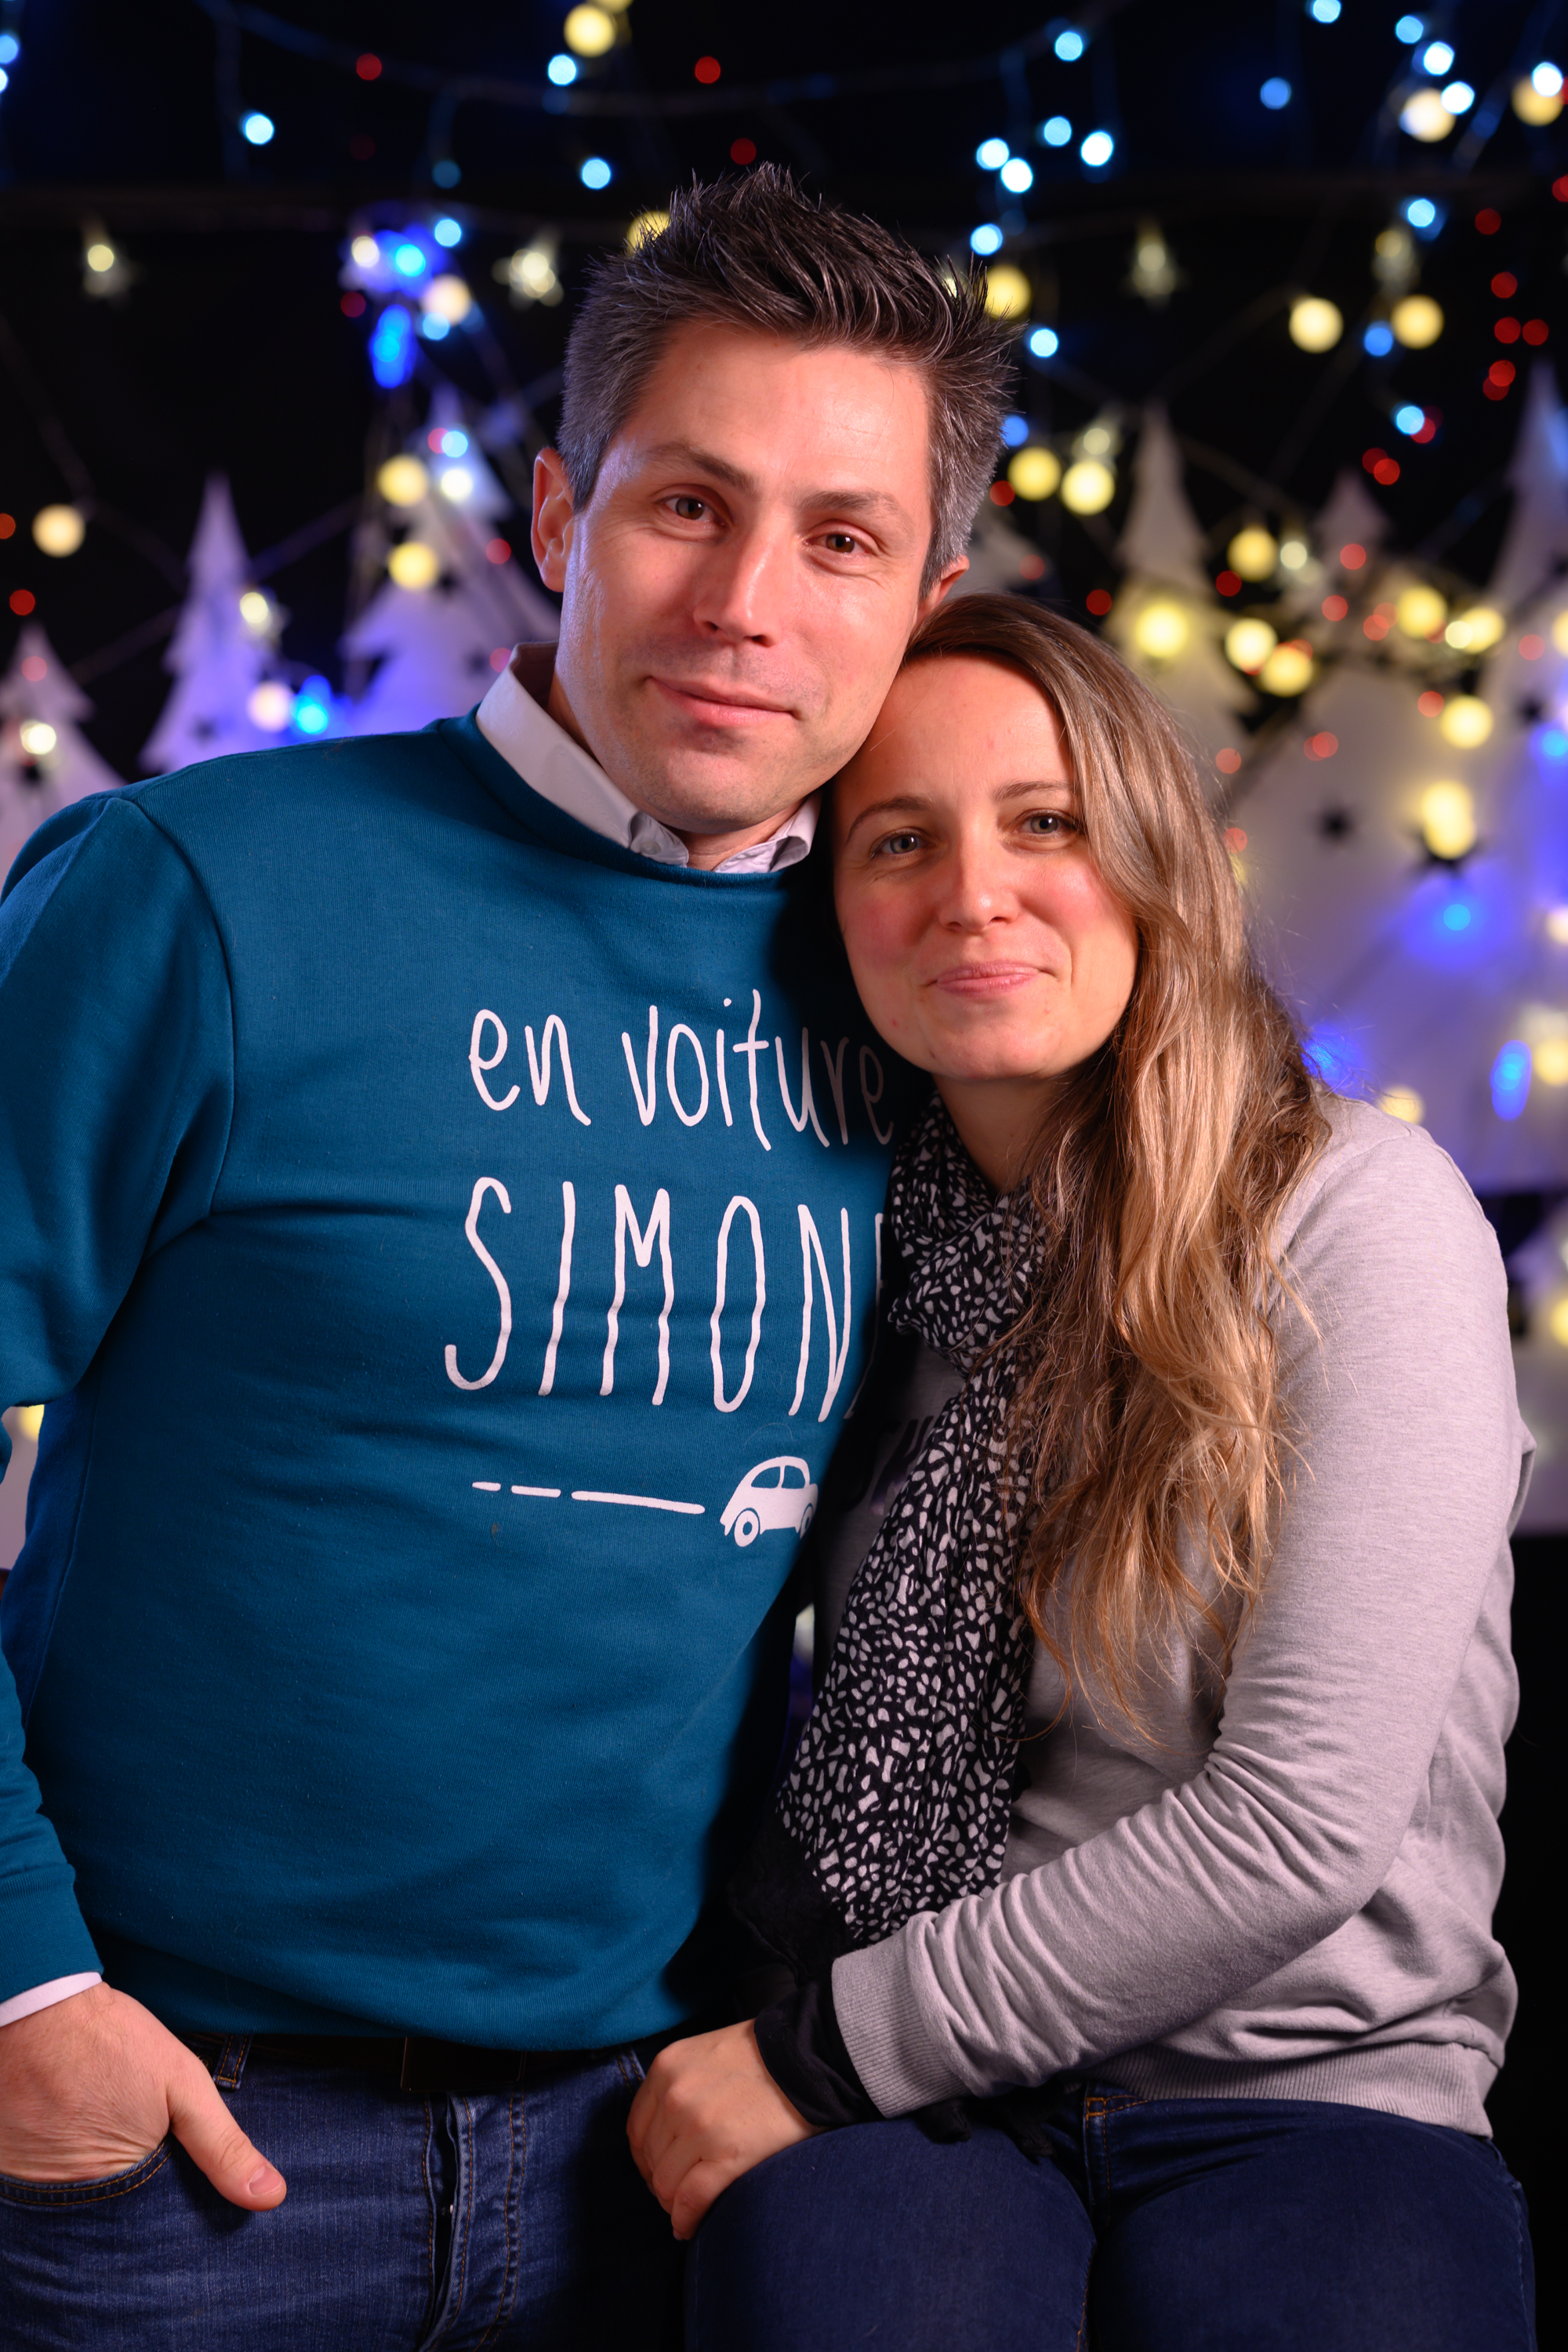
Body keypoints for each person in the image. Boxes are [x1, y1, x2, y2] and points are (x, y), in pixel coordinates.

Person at [0, 173, 1012, 2347]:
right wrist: (21, 1992)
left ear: (928, 599)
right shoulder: (196, 891)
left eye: (841, 539)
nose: (744, 604)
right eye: (686, 505)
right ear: (558, 514)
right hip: (174, 2150)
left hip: (649, 2162)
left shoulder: (916, 991)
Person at [627, 593, 1538, 2350]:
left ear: (1152, 863)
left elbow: (1299, 1824)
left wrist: (814, 2057)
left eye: (1044, 822)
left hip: (1305, 2090)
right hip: (925, 2102)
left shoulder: (1356, 1219)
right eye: (901, 840)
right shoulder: (841, 1258)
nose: (974, 893)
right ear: (834, 905)